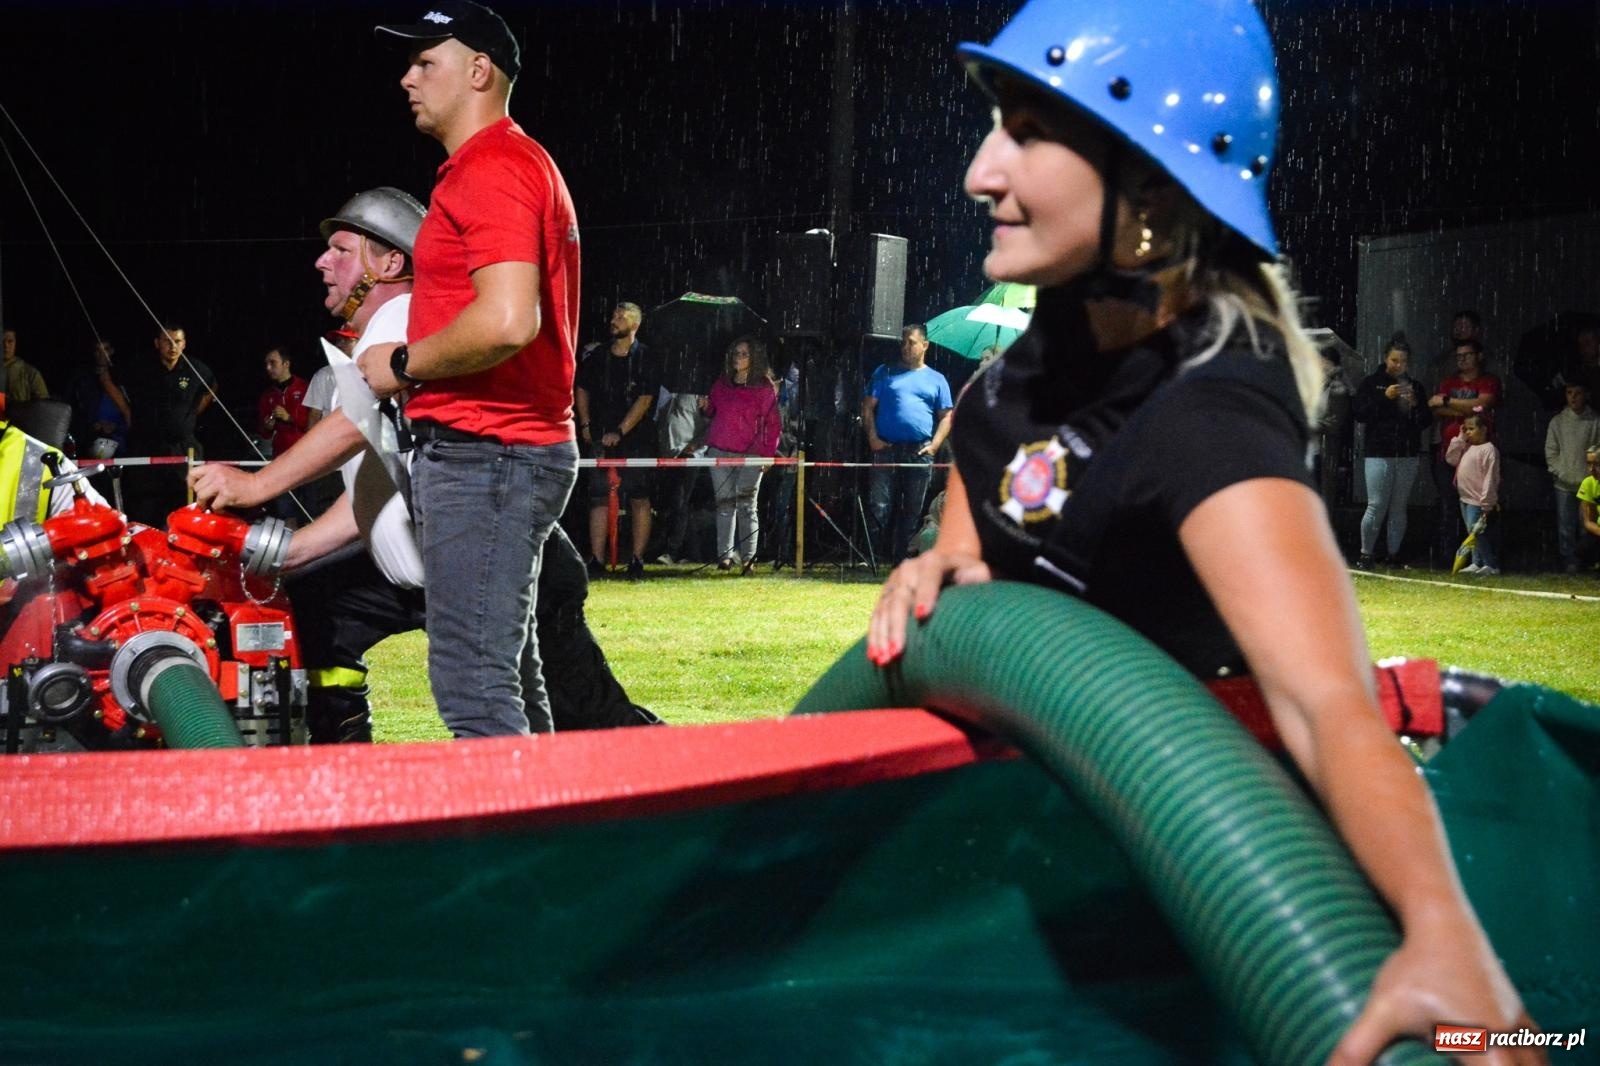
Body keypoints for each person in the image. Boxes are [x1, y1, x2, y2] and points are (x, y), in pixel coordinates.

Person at [867, 0, 1530, 1056]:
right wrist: (947, 548)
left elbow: (1323, 704)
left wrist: (1445, 935)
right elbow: (1000, 447)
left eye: (1029, 132)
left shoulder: (1203, 409)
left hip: (1155, 911)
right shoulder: (1066, 327)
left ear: (1147, 184)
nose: (978, 172)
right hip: (1001, 875)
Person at [190, 187, 653, 739]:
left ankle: (687, 788)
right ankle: (349, 779)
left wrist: (255, 484)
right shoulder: (372, 343)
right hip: (426, 571)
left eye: (340, 248)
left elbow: (356, 421)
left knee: (590, 721)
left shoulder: (406, 314)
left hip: (496, 562)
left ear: (389, 263)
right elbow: (385, 478)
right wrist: (296, 551)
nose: (321, 262)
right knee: (317, 611)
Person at [356, 1, 580, 738]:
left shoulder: (493, 168)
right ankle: (552, 840)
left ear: (479, 70)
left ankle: (509, 854)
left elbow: (510, 320)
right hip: (502, 450)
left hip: (490, 452)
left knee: (473, 686)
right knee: (507, 674)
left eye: (426, 62)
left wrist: (402, 363)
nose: (405, 78)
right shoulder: (507, 164)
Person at [575, 302, 660, 579]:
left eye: (621, 317)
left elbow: (645, 399)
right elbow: (582, 388)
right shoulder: (598, 356)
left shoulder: (646, 357)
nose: (614, 320)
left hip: (637, 440)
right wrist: (586, 423)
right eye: (613, 315)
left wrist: (621, 431)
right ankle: (596, 560)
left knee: (639, 497)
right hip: (600, 435)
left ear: (635, 324)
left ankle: (636, 560)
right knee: (598, 496)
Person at [862, 323, 953, 564]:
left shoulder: (937, 379)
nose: (905, 347)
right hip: (886, 448)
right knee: (879, 505)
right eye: (902, 342)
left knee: (912, 510)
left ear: (925, 345)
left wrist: (934, 446)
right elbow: (868, 407)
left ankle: (902, 559)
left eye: (910, 342)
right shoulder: (885, 372)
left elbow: (947, 417)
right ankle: (873, 559)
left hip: (919, 450)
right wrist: (872, 437)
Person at [123, 323, 217, 525]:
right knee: (146, 507)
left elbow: (213, 387)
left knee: (184, 506)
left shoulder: (196, 368)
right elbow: (115, 384)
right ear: (157, 343)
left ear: (184, 344)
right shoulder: (141, 368)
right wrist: (126, 412)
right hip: (147, 447)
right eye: (167, 341)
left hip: (182, 448)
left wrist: (191, 414)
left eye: (178, 341)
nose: (173, 346)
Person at [700, 336, 780, 571]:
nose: (738, 357)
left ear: (754, 357)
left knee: (747, 505)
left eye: (744, 354)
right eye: (736, 353)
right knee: (724, 504)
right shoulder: (722, 383)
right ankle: (724, 557)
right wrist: (705, 407)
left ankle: (748, 558)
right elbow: (712, 411)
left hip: (752, 454)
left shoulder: (764, 387)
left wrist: (768, 455)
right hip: (719, 449)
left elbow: (773, 424)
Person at [1351, 333, 1429, 568]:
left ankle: (1393, 555)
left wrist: (1415, 405)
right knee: (1375, 504)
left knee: (1399, 506)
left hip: (1407, 453)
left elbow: (1425, 421)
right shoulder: (1370, 383)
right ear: (1385, 358)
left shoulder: (1414, 386)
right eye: (1394, 360)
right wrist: (1384, 397)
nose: (1398, 365)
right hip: (1378, 452)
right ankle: (1366, 554)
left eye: (1403, 361)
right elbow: (1360, 414)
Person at [1545, 384, 1600, 573]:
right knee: (1565, 526)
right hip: (1564, 484)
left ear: (1586, 395)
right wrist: (1561, 471)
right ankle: (1569, 562)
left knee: (1589, 526)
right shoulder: (1558, 422)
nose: (1573, 397)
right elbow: (1551, 451)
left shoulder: (1595, 422)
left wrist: (1591, 476)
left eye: (1578, 393)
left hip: (1588, 484)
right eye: (1569, 393)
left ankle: (1588, 561)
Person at [1446, 414, 1502, 575]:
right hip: (1465, 497)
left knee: (1476, 531)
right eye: (1466, 429)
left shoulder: (1489, 450)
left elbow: (1490, 478)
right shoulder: (1466, 447)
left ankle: (1490, 564)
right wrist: (1460, 438)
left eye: (1472, 429)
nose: (1468, 432)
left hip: (1478, 500)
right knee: (1472, 531)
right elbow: (1451, 459)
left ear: (1484, 429)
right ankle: (1477, 562)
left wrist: (1487, 502)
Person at [68, 339, 132, 461]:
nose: (102, 354)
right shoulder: (82, 379)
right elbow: (74, 410)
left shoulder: (122, 377)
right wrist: (92, 426)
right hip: (90, 439)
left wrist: (117, 426)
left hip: (119, 440)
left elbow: (129, 410)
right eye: (98, 350)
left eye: (106, 349)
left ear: (112, 351)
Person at [2, 327, 50, 404]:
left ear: (15, 342)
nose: (6, 346)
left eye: (10, 341)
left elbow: (44, 407)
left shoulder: (30, 373)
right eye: (1, 341)